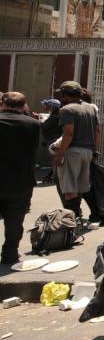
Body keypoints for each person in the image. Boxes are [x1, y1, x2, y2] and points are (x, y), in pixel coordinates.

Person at [0, 92, 41, 265]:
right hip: (21, 179)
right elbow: (34, 149)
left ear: (3, 103)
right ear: (23, 105)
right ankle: (10, 254)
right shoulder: (33, 124)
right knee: (15, 220)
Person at [52, 81, 100, 224]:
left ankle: (72, 222)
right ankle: (95, 214)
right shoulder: (90, 108)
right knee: (83, 186)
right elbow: (98, 130)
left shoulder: (67, 110)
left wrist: (59, 155)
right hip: (87, 151)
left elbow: (69, 133)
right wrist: (94, 150)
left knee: (69, 189)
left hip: (72, 152)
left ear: (64, 95)